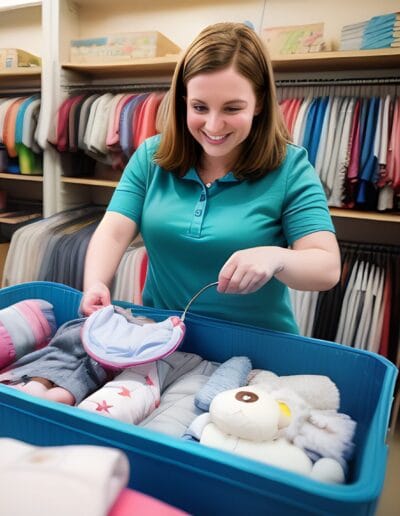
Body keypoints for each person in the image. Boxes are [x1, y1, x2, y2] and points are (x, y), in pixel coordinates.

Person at [80, 22, 341, 334]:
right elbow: (113, 233)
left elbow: (326, 267)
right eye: (199, 107)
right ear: (183, 100)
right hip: (162, 338)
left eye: (232, 108)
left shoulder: (290, 168)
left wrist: (275, 257)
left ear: (258, 102)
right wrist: (95, 283)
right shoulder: (151, 157)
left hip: (257, 351)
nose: (214, 126)